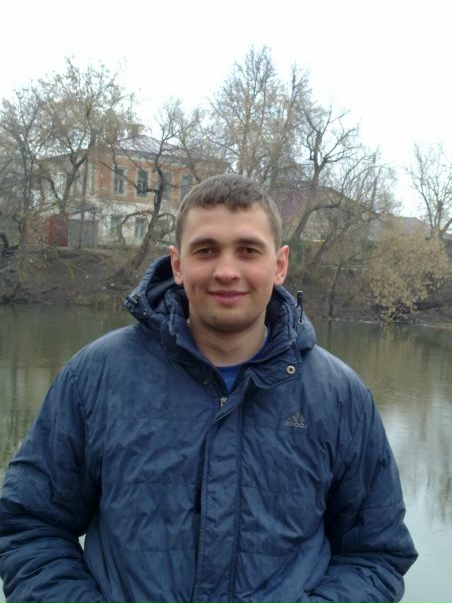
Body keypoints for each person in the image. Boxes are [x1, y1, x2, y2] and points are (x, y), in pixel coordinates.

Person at [0, 174, 417, 602]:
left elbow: (375, 554)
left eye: (248, 250)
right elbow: (31, 527)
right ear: (177, 264)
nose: (226, 271)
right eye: (206, 250)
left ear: (280, 265)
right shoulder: (95, 377)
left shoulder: (340, 396)